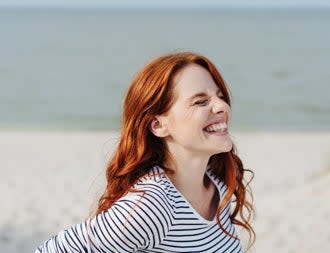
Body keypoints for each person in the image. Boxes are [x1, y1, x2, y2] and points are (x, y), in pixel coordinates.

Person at [35, 51, 255, 253]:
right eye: (200, 101)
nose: (221, 106)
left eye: (219, 96)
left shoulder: (217, 183)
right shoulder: (153, 204)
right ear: (158, 125)